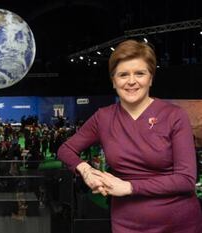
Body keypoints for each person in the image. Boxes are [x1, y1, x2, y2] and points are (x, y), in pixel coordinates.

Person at [58, 39, 202, 232]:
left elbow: (186, 179)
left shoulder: (174, 115)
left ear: (150, 78)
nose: (131, 81)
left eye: (140, 73)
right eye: (123, 74)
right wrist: (86, 170)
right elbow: (65, 149)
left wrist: (129, 187)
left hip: (179, 224)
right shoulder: (104, 117)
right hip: (127, 224)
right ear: (113, 81)